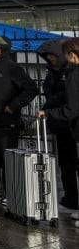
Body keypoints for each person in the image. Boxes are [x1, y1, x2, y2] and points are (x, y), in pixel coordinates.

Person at [0, 42, 39, 200]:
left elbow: (31, 88)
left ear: (4, 50)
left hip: (6, 120)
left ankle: (10, 191)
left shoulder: (12, 67)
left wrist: (13, 106)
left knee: (7, 157)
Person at [37, 37, 79, 222]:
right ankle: (71, 199)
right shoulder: (56, 73)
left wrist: (49, 112)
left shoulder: (72, 74)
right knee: (67, 165)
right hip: (65, 124)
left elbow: (71, 106)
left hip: (70, 122)